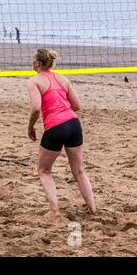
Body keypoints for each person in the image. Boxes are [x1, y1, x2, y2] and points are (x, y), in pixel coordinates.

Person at [27, 49, 96, 216]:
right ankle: (93, 209)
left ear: (37, 63)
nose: (31, 61)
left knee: (44, 171)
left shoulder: (34, 81)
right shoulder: (63, 78)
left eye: (32, 59)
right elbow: (77, 105)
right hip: (73, 123)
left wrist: (30, 127)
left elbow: (36, 108)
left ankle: (54, 210)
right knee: (79, 171)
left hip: (56, 127)